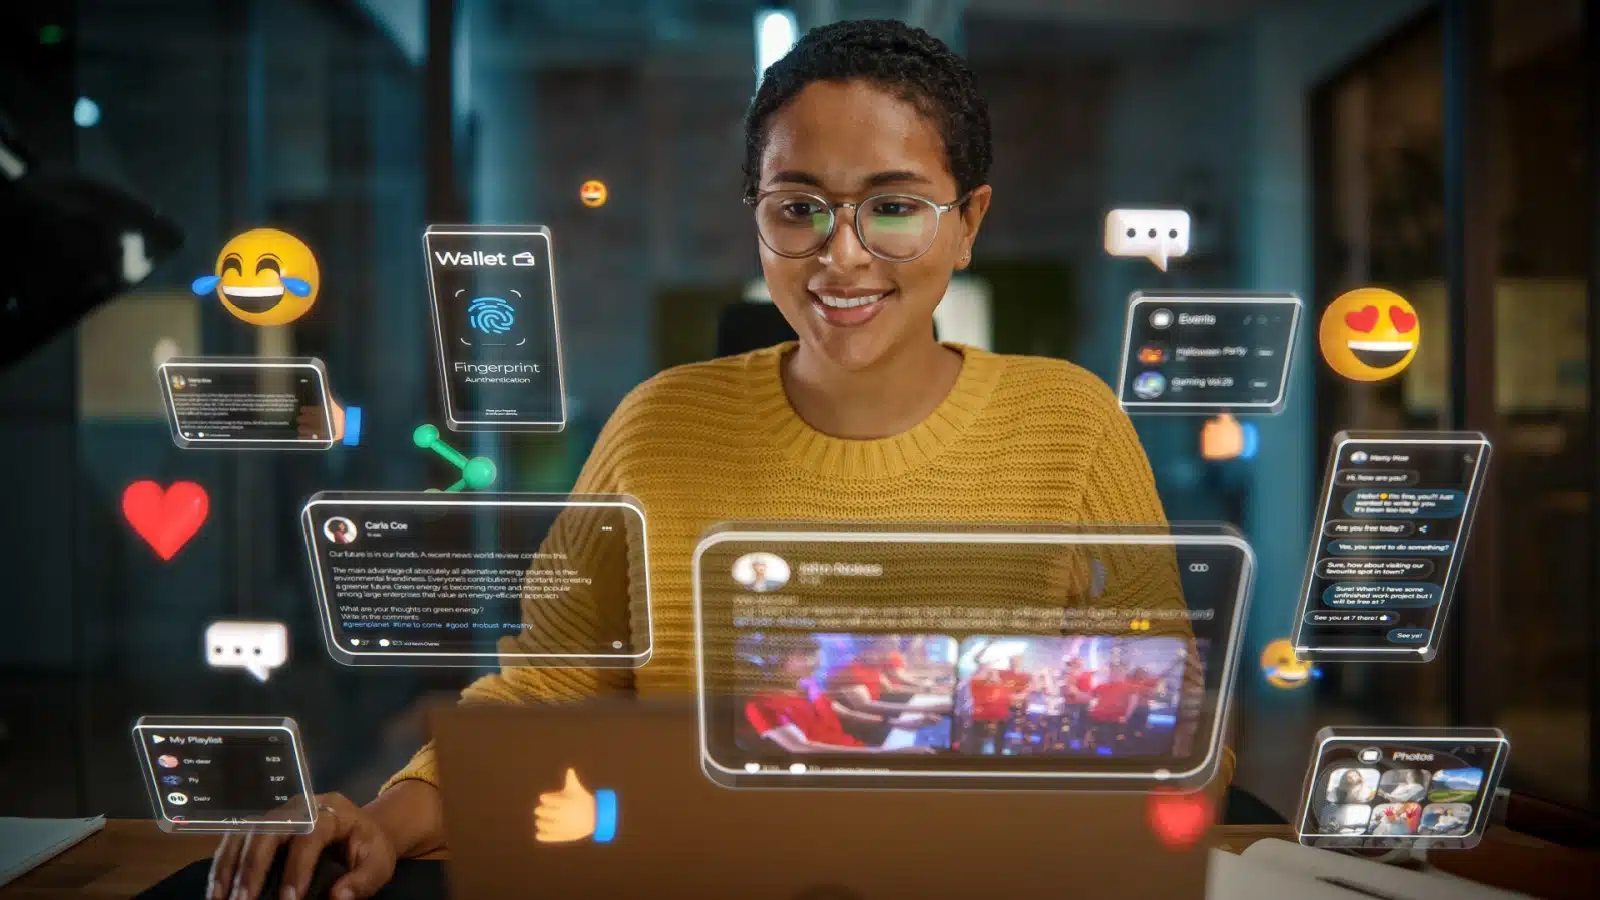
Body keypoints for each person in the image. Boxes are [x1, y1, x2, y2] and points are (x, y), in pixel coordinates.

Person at [209, 20, 1207, 899]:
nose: (841, 256)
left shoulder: (1070, 424)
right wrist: (386, 820)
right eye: (797, 206)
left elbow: (1168, 720)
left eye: (893, 207)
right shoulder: (656, 429)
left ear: (968, 224)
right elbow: (548, 691)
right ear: (757, 216)